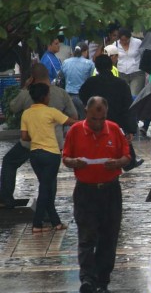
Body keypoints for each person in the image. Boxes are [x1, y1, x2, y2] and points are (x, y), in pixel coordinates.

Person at [62, 96, 130, 293]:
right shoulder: (75, 131)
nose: (98, 124)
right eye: (93, 119)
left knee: (109, 237)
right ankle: (87, 280)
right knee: (87, 236)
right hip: (86, 191)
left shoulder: (115, 129)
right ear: (86, 112)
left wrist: (118, 162)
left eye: (102, 119)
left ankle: (102, 281)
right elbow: (65, 157)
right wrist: (73, 162)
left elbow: (127, 156)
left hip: (110, 191)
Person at [1, 64, 77, 208]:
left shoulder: (27, 94)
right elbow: (73, 115)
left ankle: (6, 199)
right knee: (49, 177)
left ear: (32, 78)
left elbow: (12, 107)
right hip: (54, 144)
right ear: (47, 75)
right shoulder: (61, 93)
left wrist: (24, 88)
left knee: (9, 162)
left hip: (29, 142)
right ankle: (49, 210)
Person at [20, 83, 77, 233]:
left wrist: (37, 136)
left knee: (48, 188)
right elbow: (71, 122)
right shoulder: (51, 112)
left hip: (34, 155)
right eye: (49, 95)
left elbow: (24, 136)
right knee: (46, 189)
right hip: (51, 154)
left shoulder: (26, 114)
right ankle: (37, 223)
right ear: (45, 97)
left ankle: (56, 222)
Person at [80, 55, 143, 171]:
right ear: (111, 66)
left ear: (97, 68)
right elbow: (128, 107)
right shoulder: (121, 84)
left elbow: (83, 96)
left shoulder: (90, 83)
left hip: (97, 122)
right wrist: (130, 129)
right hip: (118, 122)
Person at [61, 41, 95, 119]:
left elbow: (61, 77)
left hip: (68, 96)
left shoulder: (66, 62)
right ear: (85, 51)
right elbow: (91, 79)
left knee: (70, 119)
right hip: (82, 97)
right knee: (83, 119)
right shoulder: (89, 64)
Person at [114, 28, 145, 96]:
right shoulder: (115, 44)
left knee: (134, 95)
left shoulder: (138, 42)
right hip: (121, 73)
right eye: (122, 40)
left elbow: (143, 55)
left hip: (136, 72)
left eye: (126, 40)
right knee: (123, 95)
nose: (124, 42)